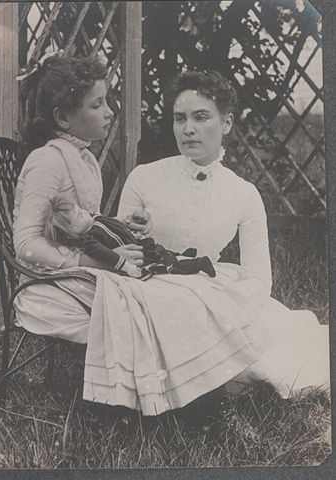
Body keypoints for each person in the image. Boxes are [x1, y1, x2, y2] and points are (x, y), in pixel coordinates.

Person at [109, 70, 330, 410]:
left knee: (284, 356)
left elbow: (259, 277)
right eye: (179, 119)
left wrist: (228, 305)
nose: (188, 129)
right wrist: (134, 232)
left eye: (201, 117)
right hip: (148, 290)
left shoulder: (244, 194)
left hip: (213, 291)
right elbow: (119, 252)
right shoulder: (145, 178)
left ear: (226, 124)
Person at [13, 51, 149, 344]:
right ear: (62, 117)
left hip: (77, 276)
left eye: (107, 101)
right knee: (147, 309)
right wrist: (95, 261)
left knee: (159, 292)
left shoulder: (82, 157)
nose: (110, 111)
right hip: (46, 288)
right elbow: (25, 244)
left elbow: (80, 224)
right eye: (97, 104)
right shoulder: (47, 161)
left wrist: (118, 228)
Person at [43, 194, 216, 279]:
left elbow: (115, 224)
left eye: (80, 210)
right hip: (138, 255)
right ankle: (197, 264)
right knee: (166, 266)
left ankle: (181, 254)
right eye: (79, 216)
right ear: (72, 233)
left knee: (163, 251)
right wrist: (126, 267)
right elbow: (107, 255)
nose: (84, 213)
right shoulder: (90, 240)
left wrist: (127, 223)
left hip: (140, 243)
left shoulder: (96, 219)